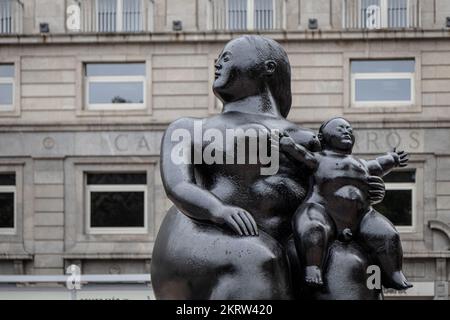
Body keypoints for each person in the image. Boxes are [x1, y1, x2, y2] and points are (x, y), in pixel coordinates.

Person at [151, 35, 387, 299]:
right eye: (217, 60)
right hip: (204, 235)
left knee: (349, 265)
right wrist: (217, 210)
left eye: (226, 58)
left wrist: (357, 191)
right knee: (258, 261)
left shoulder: (312, 140)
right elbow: (178, 184)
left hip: (286, 240)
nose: (217, 64)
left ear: (268, 67)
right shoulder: (188, 128)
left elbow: (328, 186)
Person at [281, 117, 412, 290]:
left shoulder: (362, 164)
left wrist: (392, 158)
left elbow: (379, 164)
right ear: (322, 138)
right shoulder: (318, 159)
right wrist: (286, 143)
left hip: (361, 215)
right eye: (340, 128)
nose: (346, 131)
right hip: (323, 209)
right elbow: (300, 153)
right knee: (312, 227)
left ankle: (394, 273)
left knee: (388, 234)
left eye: (349, 128)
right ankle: (313, 267)